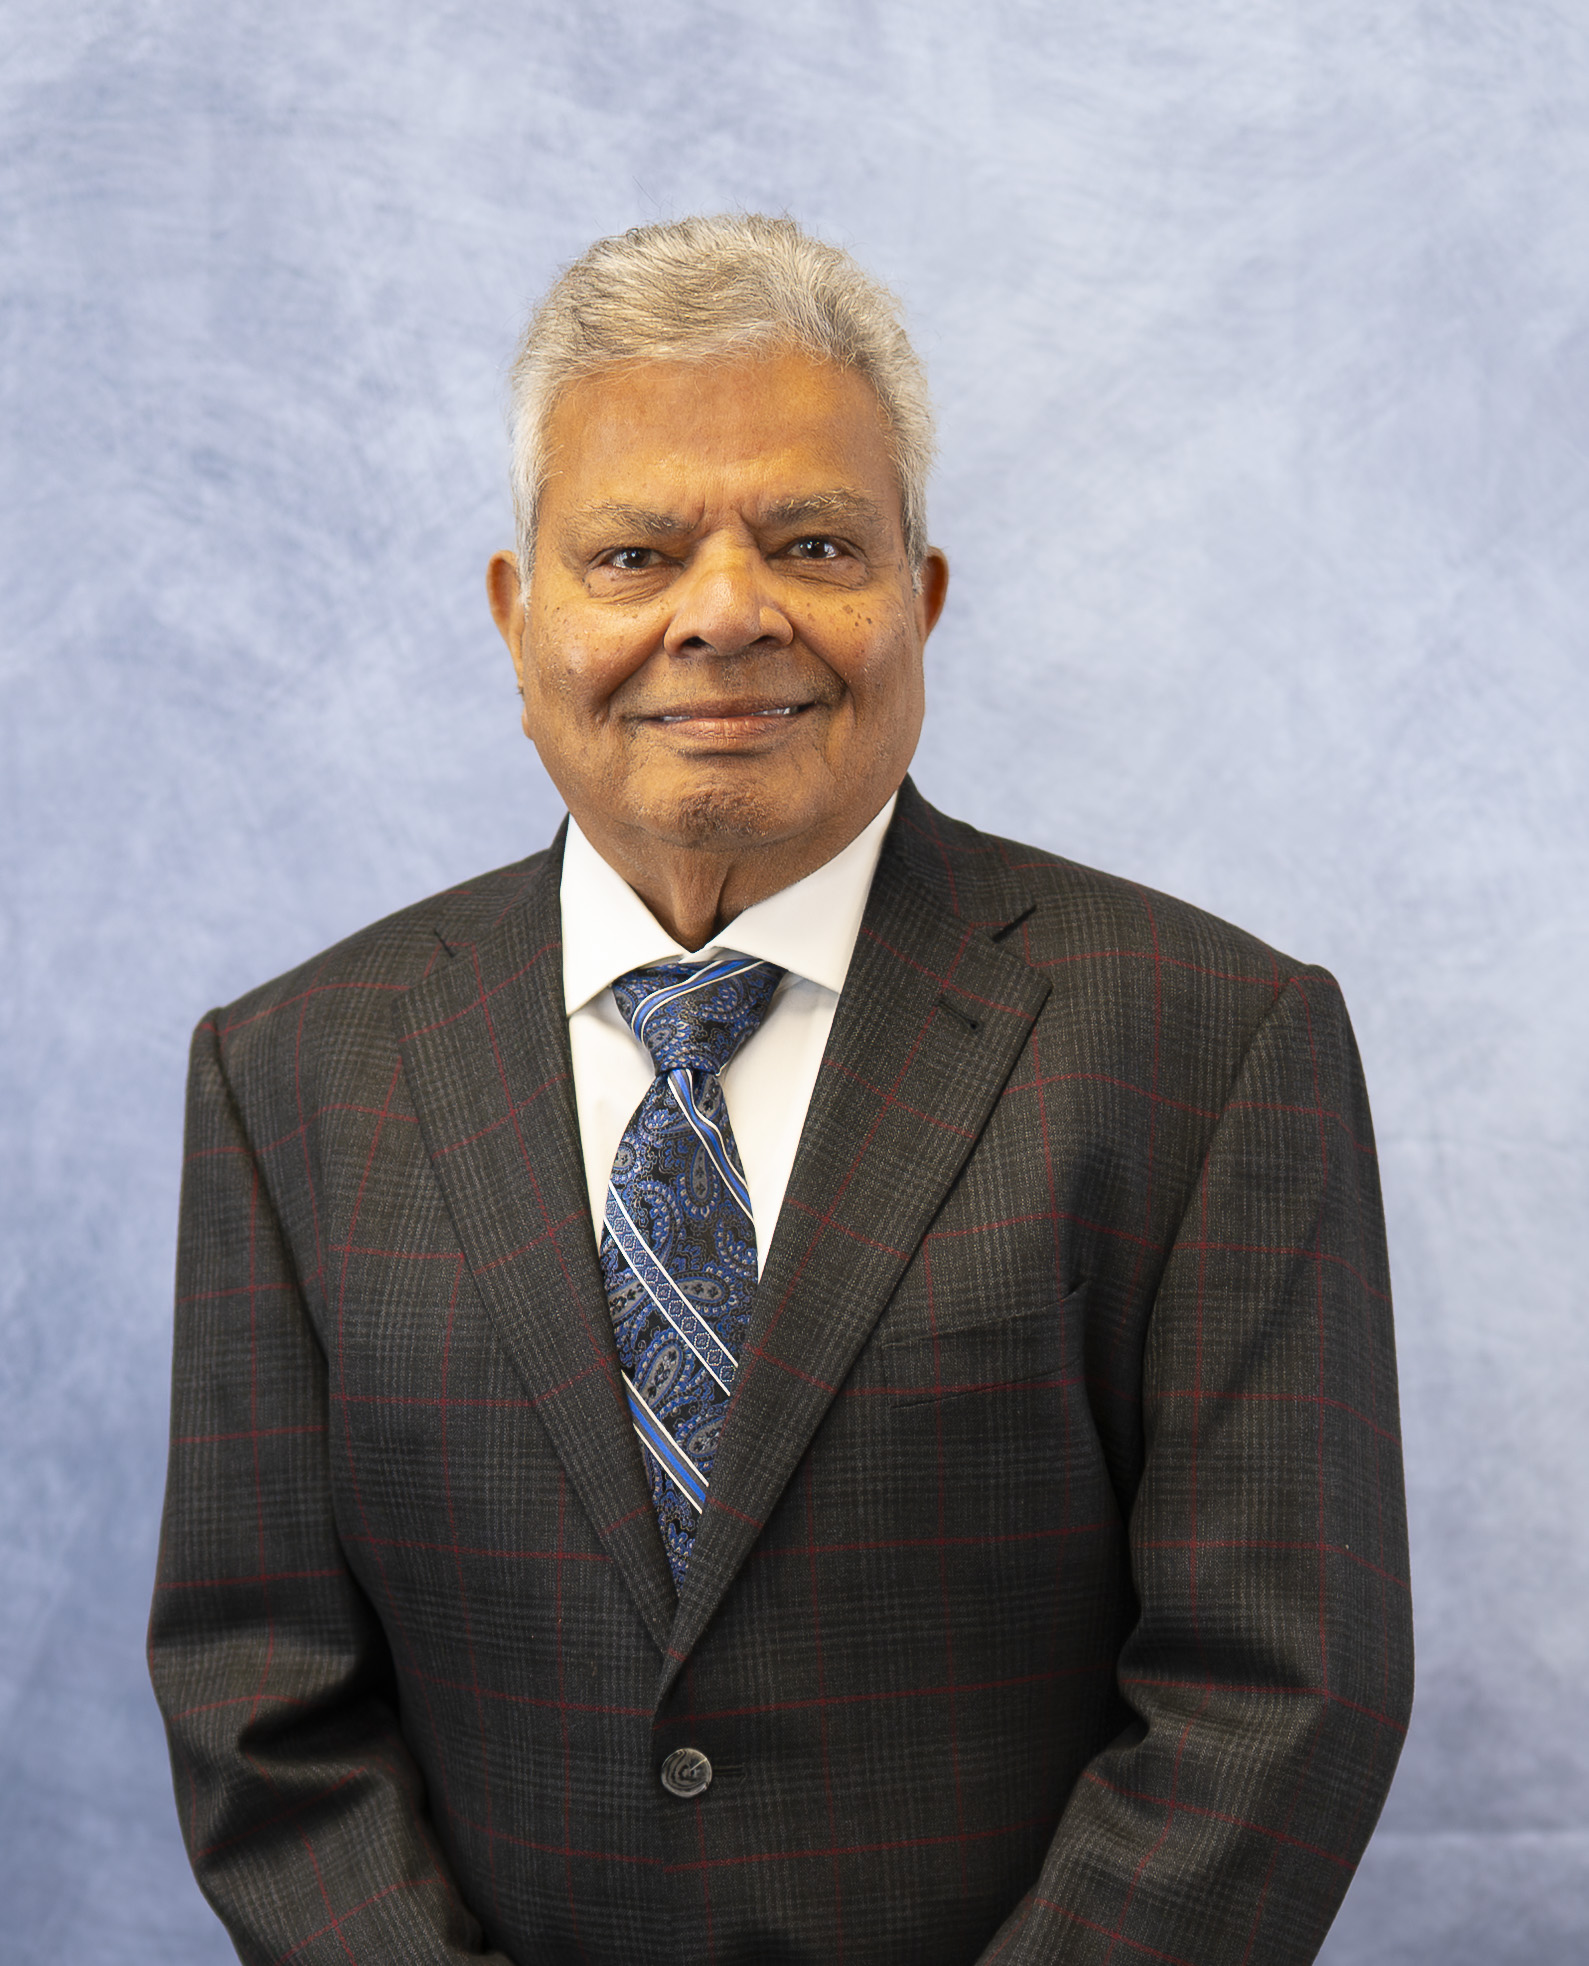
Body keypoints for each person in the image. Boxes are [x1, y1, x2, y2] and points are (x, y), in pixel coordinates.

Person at [149, 214, 1413, 1965]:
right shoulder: (291, 1073)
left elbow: (1276, 1694)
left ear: (921, 599)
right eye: (634, 553)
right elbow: (257, 1691)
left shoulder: (1210, 1044)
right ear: (518, 619)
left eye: (814, 543)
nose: (727, 611)